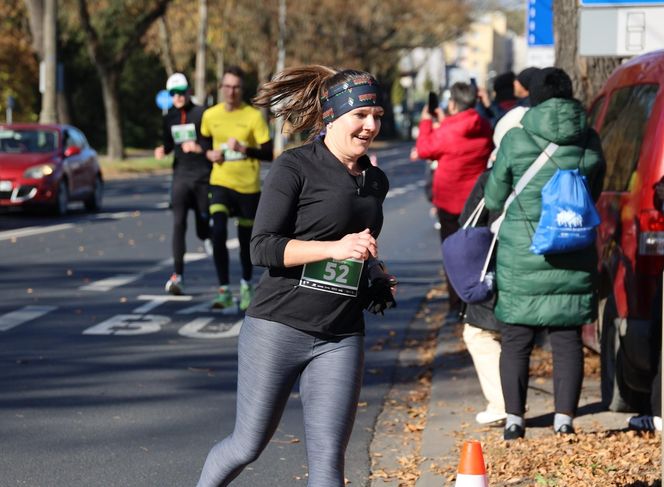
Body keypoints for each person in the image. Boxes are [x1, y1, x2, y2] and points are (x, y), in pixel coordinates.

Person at [195, 65, 396, 487]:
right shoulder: (295, 167)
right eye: (360, 115)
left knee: (328, 465)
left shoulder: (375, 180)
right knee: (247, 445)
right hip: (278, 326)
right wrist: (334, 249)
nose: (370, 125)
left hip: (341, 334)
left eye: (376, 115)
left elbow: (360, 245)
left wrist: (373, 272)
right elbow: (262, 246)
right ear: (332, 115)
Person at [484, 67, 606, 440]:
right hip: (574, 246)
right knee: (567, 338)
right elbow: (594, 192)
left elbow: (493, 196)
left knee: (516, 337)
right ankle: (564, 420)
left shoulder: (517, 139)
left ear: (533, 96)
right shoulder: (589, 139)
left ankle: (515, 420)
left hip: (523, 251)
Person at [415, 81, 493, 321]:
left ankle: (455, 305)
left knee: (452, 253)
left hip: (449, 201)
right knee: (478, 253)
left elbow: (424, 149)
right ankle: (479, 303)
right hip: (478, 202)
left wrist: (427, 121)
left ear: (452, 103)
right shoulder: (485, 126)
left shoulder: (448, 130)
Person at [201, 65, 273, 310]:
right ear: (221, 88)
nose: (231, 91)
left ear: (242, 90)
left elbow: (269, 152)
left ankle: (245, 284)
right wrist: (208, 154)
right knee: (218, 231)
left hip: (247, 187)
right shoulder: (210, 115)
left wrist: (244, 150)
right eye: (228, 86)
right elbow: (203, 145)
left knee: (245, 242)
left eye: (236, 87)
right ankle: (223, 289)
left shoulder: (252, 116)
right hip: (220, 181)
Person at [155, 72, 212, 295]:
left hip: (202, 177)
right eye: (173, 94)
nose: (178, 97)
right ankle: (178, 275)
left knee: (201, 226)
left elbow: (211, 146)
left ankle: (206, 235)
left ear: (189, 91)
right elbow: (169, 144)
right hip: (180, 176)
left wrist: (199, 148)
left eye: (181, 92)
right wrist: (163, 150)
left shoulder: (201, 114)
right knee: (179, 223)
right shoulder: (168, 117)